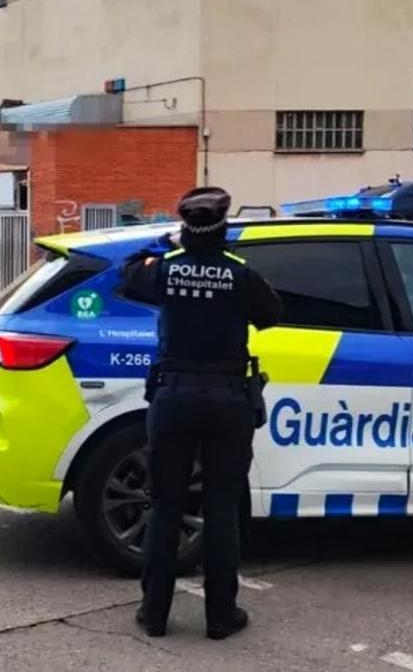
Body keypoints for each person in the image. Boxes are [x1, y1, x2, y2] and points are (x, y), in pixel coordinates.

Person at [120, 187, 281, 641]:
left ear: (185, 231)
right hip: (228, 401)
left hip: (173, 399)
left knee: (167, 504)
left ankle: (154, 615)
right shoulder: (240, 274)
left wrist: (162, 245)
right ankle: (220, 617)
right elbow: (272, 314)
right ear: (223, 230)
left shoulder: (165, 270)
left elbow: (127, 272)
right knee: (222, 509)